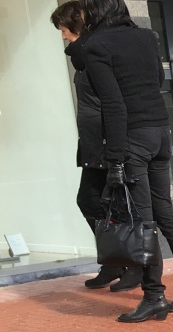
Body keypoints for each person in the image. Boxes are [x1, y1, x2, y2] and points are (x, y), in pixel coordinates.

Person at [81, 0, 173, 322]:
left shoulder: (97, 46)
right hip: (160, 133)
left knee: (142, 221)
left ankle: (154, 297)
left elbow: (113, 104)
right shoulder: (148, 38)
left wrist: (116, 159)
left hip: (133, 139)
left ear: (93, 12)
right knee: (165, 214)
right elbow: (158, 84)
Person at [50, 1, 126, 291]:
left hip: (106, 142)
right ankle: (112, 263)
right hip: (93, 143)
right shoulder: (83, 60)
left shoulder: (93, 54)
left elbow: (112, 103)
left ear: (78, 26)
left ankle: (130, 265)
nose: (62, 36)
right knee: (90, 201)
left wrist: (112, 145)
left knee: (115, 205)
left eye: (64, 29)